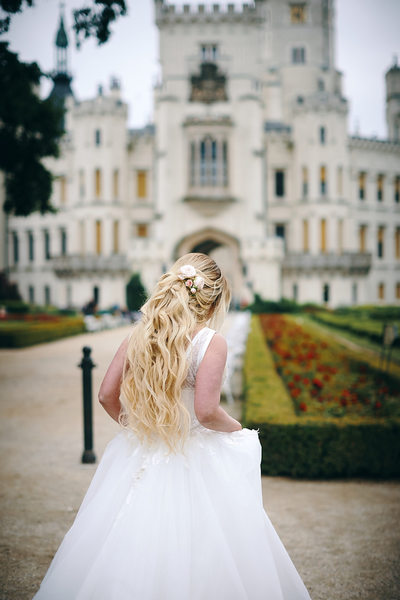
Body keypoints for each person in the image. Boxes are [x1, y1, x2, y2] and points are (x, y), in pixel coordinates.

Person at [33, 253, 312, 600]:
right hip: (192, 453)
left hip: (142, 448)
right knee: (209, 545)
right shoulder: (210, 342)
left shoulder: (139, 335)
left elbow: (106, 395)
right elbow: (207, 412)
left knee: (122, 538)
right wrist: (238, 428)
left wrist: (139, 426)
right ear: (211, 299)